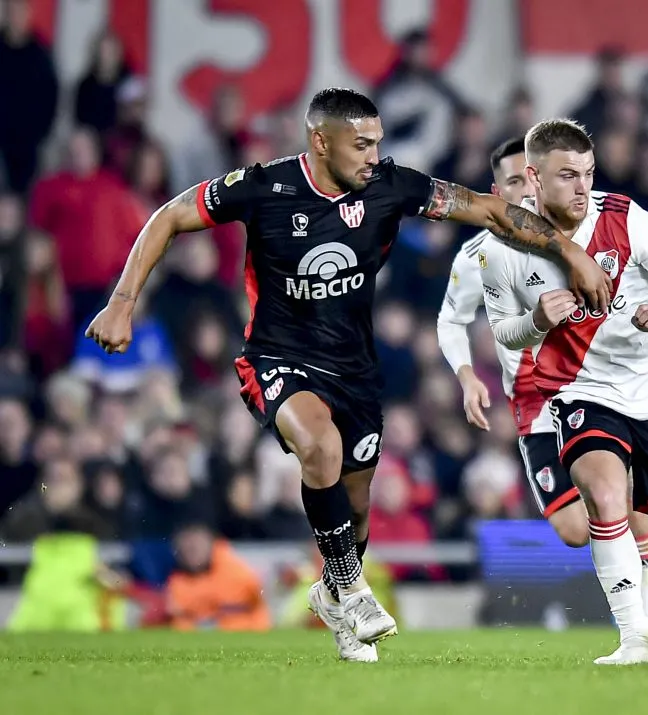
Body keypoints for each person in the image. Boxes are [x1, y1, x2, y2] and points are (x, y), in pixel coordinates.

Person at [85, 88, 612, 663]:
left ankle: (335, 595)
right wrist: (122, 302)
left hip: (354, 371)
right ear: (320, 141)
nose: (373, 155)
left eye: (377, 142)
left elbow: (487, 209)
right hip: (276, 358)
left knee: (355, 507)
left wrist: (571, 253)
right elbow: (169, 215)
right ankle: (354, 593)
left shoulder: (391, 186)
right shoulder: (264, 187)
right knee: (320, 447)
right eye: (361, 144)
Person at [480, 119, 648, 665]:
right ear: (534, 177)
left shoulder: (625, 219)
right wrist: (535, 322)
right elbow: (503, 332)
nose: (581, 187)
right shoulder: (502, 248)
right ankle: (636, 638)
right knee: (605, 495)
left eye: (588, 174)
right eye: (567, 175)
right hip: (582, 391)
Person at [436, 138, 648, 625]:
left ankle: (644, 603)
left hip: (595, 389)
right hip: (534, 404)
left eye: (531, 179)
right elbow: (451, 320)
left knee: (616, 495)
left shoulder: (582, 240)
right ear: (497, 191)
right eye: (513, 182)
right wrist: (467, 375)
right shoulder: (478, 256)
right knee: (574, 530)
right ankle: (638, 556)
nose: (525, 190)